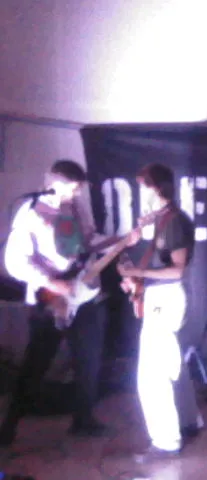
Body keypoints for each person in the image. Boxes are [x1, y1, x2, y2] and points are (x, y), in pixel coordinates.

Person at [0, 159, 134, 445]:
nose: (77, 193)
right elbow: (15, 261)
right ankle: (9, 426)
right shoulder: (31, 212)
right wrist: (51, 283)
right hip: (50, 298)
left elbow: (88, 241)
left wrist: (119, 241)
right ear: (56, 184)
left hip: (84, 293)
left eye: (79, 188)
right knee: (36, 362)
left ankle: (83, 420)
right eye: (73, 188)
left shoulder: (76, 207)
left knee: (89, 359)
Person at [117, 163, 202, 462]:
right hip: (162, 296)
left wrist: (137, 273)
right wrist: (138, 278)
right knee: (172, 365)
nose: (141, 193)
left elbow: (177, 270)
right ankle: (189, 422)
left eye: (144, 187)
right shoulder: (166, 219)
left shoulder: (174, 221)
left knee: (153, 374)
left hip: (166, 298)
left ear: (156, 188)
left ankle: (166, 441)